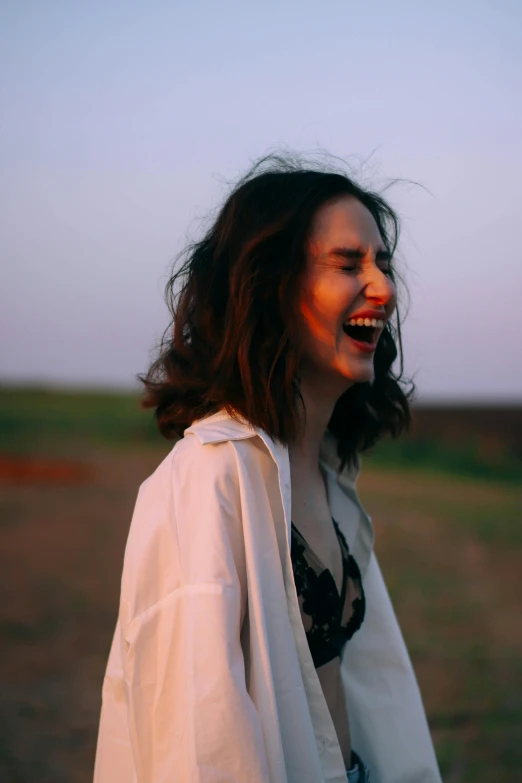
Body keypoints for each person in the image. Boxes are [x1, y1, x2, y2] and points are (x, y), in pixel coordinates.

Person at [93, 153, 442, 782]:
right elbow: (198, 747)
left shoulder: (328, 474)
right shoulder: (205, 480)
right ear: (270, 288)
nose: (384, 287)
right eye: (348, 263)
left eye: (383, 263)